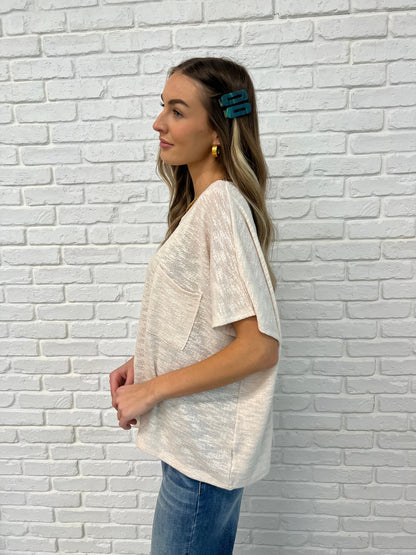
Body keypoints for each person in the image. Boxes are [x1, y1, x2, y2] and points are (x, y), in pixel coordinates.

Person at [109, 57, 282, 555]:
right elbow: (204, 324)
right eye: (163, 106)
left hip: (202, 459)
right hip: (193, 449)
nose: (158, 123)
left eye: (177, 111)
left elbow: (259, 347)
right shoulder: (203, 207)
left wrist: (152, 390)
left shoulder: (221, 206)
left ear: (217, 132)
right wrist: (146, 361)